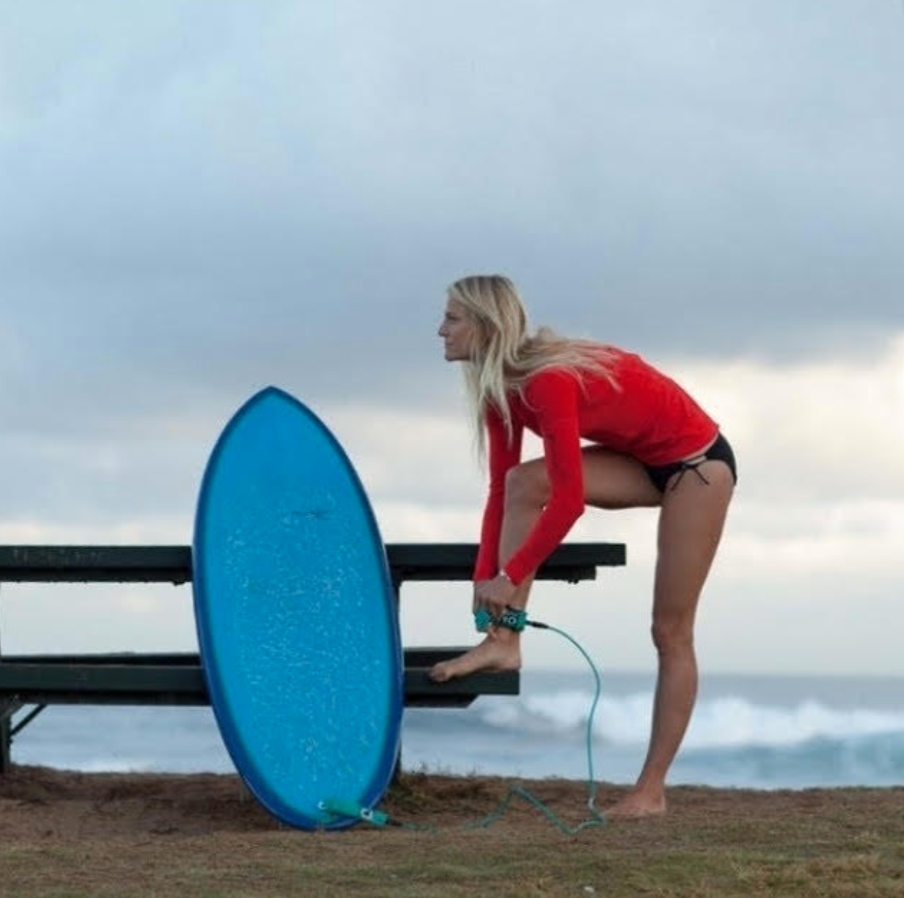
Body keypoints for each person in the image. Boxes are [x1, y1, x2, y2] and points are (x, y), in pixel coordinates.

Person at [430, 274, 737, 818]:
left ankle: (650, 792)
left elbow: (569, 500)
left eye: (452, 318)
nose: (440, 330)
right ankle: (504, 641)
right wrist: (485, 577)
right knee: (526, 482)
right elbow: (504, 491)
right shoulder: (499, 392)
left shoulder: (546, 381)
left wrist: (511, 572)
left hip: (697, 465)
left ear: (484, 324)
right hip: (639, 464)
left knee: (670, 631)